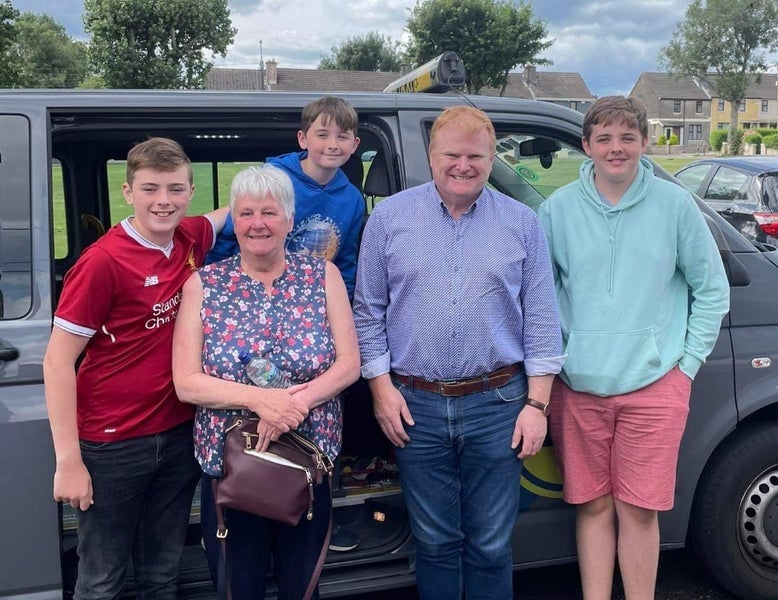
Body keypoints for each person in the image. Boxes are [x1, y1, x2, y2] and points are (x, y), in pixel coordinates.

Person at [353, 105, 564, 600]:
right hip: (414, 406)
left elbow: (541, 318)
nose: (463, 166)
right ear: (432, 156)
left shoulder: (522, 223)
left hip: (499, 405)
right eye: (452, 154)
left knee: (491, 545)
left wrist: (537, 406)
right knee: (434, 543)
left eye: (476, 156)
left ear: (492, 159)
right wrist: (381, 391)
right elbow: (367, 311)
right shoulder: (389, 219)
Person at [537, 96, 730, 600]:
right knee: (593, 507)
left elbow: (711, 289)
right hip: (577, 386)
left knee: (639, 510)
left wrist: (685, 367)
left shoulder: (675, 206)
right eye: (604, 138)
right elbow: (538, 297)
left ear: (645, 142)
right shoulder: (556, 210)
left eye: (627, 137)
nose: (616, 148)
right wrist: (556, 363)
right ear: (586, 146)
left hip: (656, 385)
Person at [42, 137, 228, 599]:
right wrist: (68, 462)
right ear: (128, 192)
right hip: (113, 443)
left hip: (179, 433)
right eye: (150, 189)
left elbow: (234, 212)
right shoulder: (102, 262)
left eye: (175, 189)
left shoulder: (190, 236)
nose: (163, 201)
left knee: (162, 571)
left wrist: (294, 171)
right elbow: (57, 361)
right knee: (103, 577)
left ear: (190, 192)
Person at [172, 164, 360, 599]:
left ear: (290, 220)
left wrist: (293, 405)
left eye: (270, 212)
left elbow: (349, 364)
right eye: (246, 213)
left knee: (302, 587)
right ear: (234, 222)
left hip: (308, 466)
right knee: (239, 588)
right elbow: (187, 382)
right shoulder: (204, 285)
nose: (257, 224)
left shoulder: (322, 276)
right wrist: (262, 401)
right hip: (232, 472)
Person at [205, 95, 364, 298]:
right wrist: (218, 292)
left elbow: (346, 264)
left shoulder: (353, 199)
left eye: (342, 137)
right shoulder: (273, 178)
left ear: (354, 144)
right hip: (252, 293)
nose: (333, 144)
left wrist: (341, 304)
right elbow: (230, 236)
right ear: (303, 139)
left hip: (310, 301)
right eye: (322, 135)